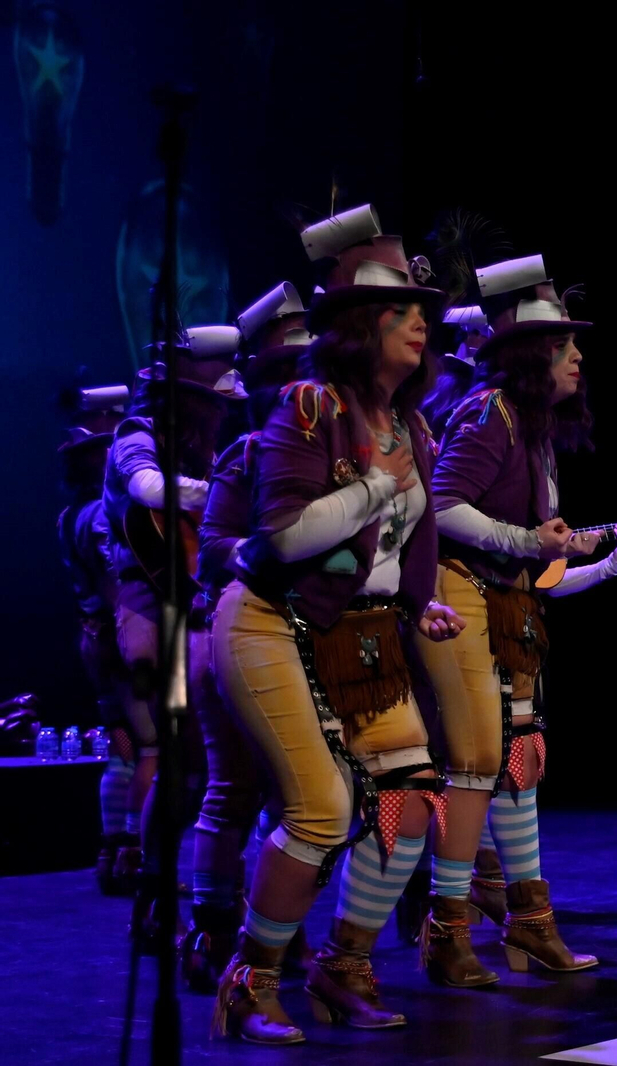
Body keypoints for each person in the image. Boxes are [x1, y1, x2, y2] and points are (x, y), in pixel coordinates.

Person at [212, 205, 461, 1042]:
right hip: (271, 622)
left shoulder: (413, 426)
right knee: (320, 807)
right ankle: (253, 977)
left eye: (424, 309)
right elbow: (279, 537)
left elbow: (402, 539)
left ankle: (344, 963)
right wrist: (374, 488)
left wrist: (413, 597)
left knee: (413, 797)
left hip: (362, 634)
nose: (422, 321)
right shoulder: (311, 406)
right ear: (361, 324)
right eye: (404, 309)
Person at [418, 252, 617, 981]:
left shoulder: (533, 427)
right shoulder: (488, 412)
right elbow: (442, 508)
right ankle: (447, 932)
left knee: (519, 765)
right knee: (477, 765)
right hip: (461, 595)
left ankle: (530, 923)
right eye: (567, 346)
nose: (579, 358)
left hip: (507, 603)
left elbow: (530, 556)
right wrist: (523, 541)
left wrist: (589, 561)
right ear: (536, 355)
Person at [180, 284, 311, 991]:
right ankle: (212, 927)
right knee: (233, 787)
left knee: (297, 799)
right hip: (230, 633)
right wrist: (272, 550)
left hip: (299, 640)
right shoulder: (249, 456)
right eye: (294, 378)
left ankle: (278, 930)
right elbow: (213, 553)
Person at [103, 330, 242, 942]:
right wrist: (227, 495)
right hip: (153, 613)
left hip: (199, 611)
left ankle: (190, 891)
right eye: (212, 400)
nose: (222, 413)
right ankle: (156, 888)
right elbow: (148, 490)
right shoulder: (136, 437)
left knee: (201, 766)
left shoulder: (206, 447)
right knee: (180, 760)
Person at [56, 385, 132, 893]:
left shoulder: (68, 515)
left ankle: (114, 850)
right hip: (117, 634)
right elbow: (114, 584)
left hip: (96, 636)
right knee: (139, 746)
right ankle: (128, 851)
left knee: (124, 746)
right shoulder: (97, 516)